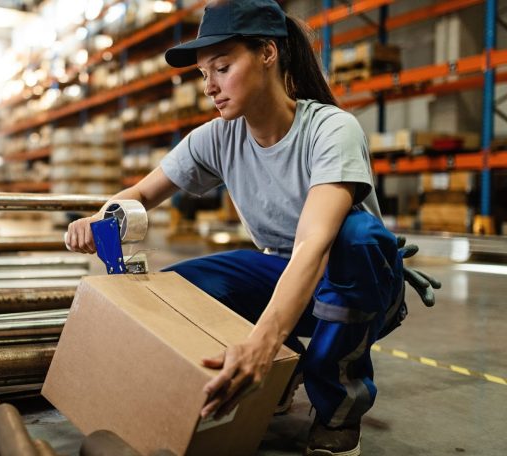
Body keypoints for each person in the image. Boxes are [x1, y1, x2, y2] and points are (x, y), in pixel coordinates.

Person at [65, 1, 438, 455]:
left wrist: (262, 342)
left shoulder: (331, 130)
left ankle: (338, 410)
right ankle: (284, 369)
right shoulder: (219, 137)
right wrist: (101, 216)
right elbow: (140, 195)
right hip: (287, 274)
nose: (210, 87)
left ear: (267, 53)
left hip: (358, 282)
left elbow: (314, 245)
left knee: (355, 237)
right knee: (179, 287)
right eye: (204, 75)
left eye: (221, 67)